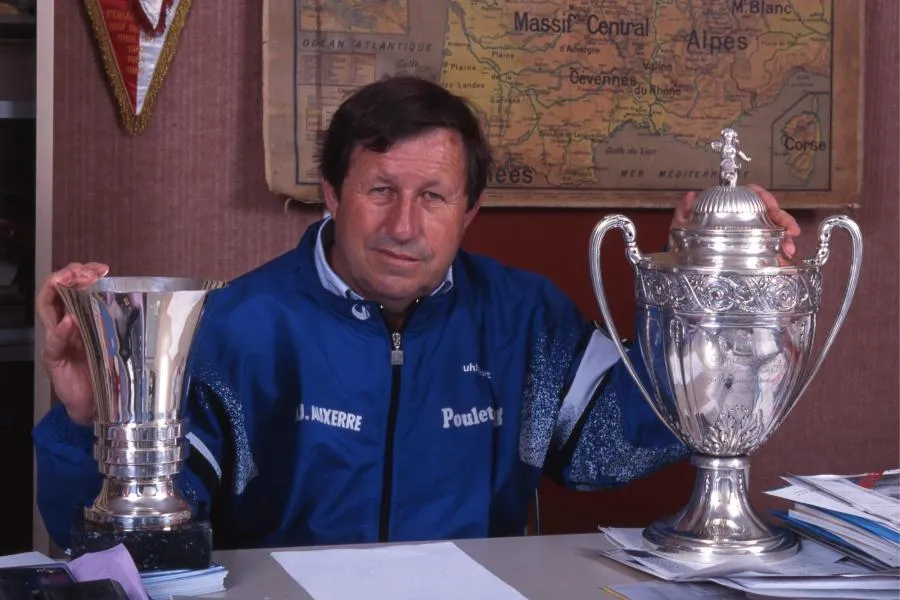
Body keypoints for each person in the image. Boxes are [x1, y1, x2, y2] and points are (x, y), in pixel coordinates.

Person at [32, 76, 801, 551]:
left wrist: (717, 299)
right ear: (331, 194)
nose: (404, 225)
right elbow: (119, 549)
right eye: (379, 191)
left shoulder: (524, 316)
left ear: (470, 211)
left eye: (433, 196)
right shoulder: (235, 327)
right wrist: (86, 419)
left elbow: (617, 447)